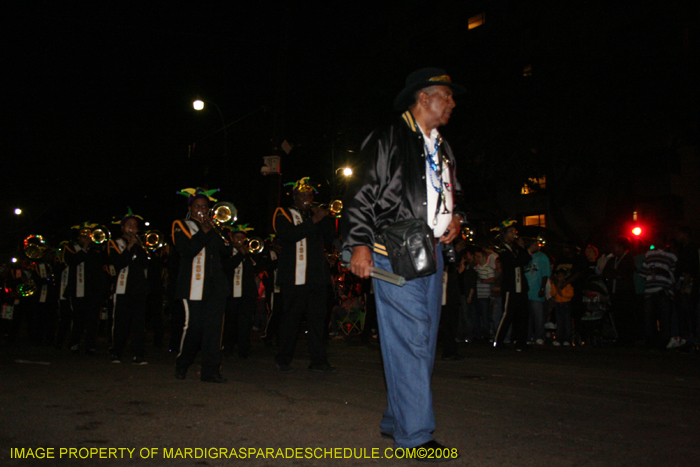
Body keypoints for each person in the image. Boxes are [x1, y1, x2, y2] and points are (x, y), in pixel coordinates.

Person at [343, 67, 465, 456]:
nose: (452, 103)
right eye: (446, 96)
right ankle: (415, 437)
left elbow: (451, 192)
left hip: (430, 253)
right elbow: (361, 191)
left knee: (422, 340)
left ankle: (397, 419)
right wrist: (359, 244)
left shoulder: (442, 145)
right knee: (411, 339)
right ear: (423, 97)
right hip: (393, 251)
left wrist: (458, 219)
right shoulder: (389, 136)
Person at [273, 177, 336, 372]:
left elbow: (330, 238)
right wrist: (314, 220)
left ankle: (319, 361)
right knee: (291, 319)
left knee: (317, 321)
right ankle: (283, 359)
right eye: (302, 195)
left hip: (316, 277)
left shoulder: (315, 215)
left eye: (309, 195)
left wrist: (327, 217)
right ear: (294, 197)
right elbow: (290, 235)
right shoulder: (283, 213)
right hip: (293, 277)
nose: (306, 198)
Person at [171, 187, 231, 383]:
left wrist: (216, 230)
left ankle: (211, 371)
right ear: (190, 208)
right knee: (194, 327)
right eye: (198, 206)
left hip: (216, 285)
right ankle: (183, 363)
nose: (202, 210)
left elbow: (225, 252)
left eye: (205, 207)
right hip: (192, 284)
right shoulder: (181, 225)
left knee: (214, 330)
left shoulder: (215, 228)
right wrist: (204, 231)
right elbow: (186, 250)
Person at [106, 208, 150, 364]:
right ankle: (116, 352)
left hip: (138, 289)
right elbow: (119, 263)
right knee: (120, 322)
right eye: (129, 225)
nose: (132, 227)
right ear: (122, 228)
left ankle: (139, 354)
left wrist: (139, 246)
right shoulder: (114, 243)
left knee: (139, 323)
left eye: (135, 225)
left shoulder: (140, 245)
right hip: (122, 288)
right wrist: (130, 246)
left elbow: (145, 263)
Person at [63, 222, 108, 355]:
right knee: (77, 318)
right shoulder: (70, 247)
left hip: (94, 290)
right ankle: (75, 343)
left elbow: (103, 264)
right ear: (78, 237)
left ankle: (90, 345)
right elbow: (72, 261)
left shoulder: (96, 249)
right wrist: (84, 248)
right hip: (77, 289)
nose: (87, 238)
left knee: (93, 319)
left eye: (89, 235)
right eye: (83, 235)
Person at [222, 224, 260, 358]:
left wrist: (248, 255)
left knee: (246, 323)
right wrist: (240, 255)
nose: (239, 240)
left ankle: (244, 349)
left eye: (242, 238)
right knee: (230, 322)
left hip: (246, 294)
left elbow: (259, 267)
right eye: (237, 237)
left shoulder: (249, 253)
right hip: (231, 294)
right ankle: (228, 348)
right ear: (232, 238)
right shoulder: (226, 252)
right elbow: (227, 267)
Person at [493, 219, 531, 351]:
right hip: (510, 286)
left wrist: (523, 248)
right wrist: (527, 250)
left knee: (523, 314)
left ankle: (521, 342)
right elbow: (513, 263)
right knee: (508, 314)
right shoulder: (502, 249)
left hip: (521, 285)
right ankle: (498, 341)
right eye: (511, 231)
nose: (514, 233)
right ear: (504, 234)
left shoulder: (516, 248)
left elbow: (526, 260)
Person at [524, 237, 550, 345]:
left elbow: (545, 274)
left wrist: (542, 288)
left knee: (538, 316)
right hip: (526, 291)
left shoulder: (542, 257)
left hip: (536, 290)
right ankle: (528, 336)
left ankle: (540, 336)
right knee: (527, 316)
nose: (536, 246)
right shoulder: (526, 256)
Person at [550, 266, 575, 346]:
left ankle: (567, 340)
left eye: (561, 276)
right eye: (558, 276)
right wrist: (557, 289)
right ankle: (559, 339)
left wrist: (562, 294)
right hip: (558, 304)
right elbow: (552, 293)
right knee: (559, 323)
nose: (560, 278)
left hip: (566, 304)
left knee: (567, 323)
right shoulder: (555, 285)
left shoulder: (567, 285)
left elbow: (570, 294)